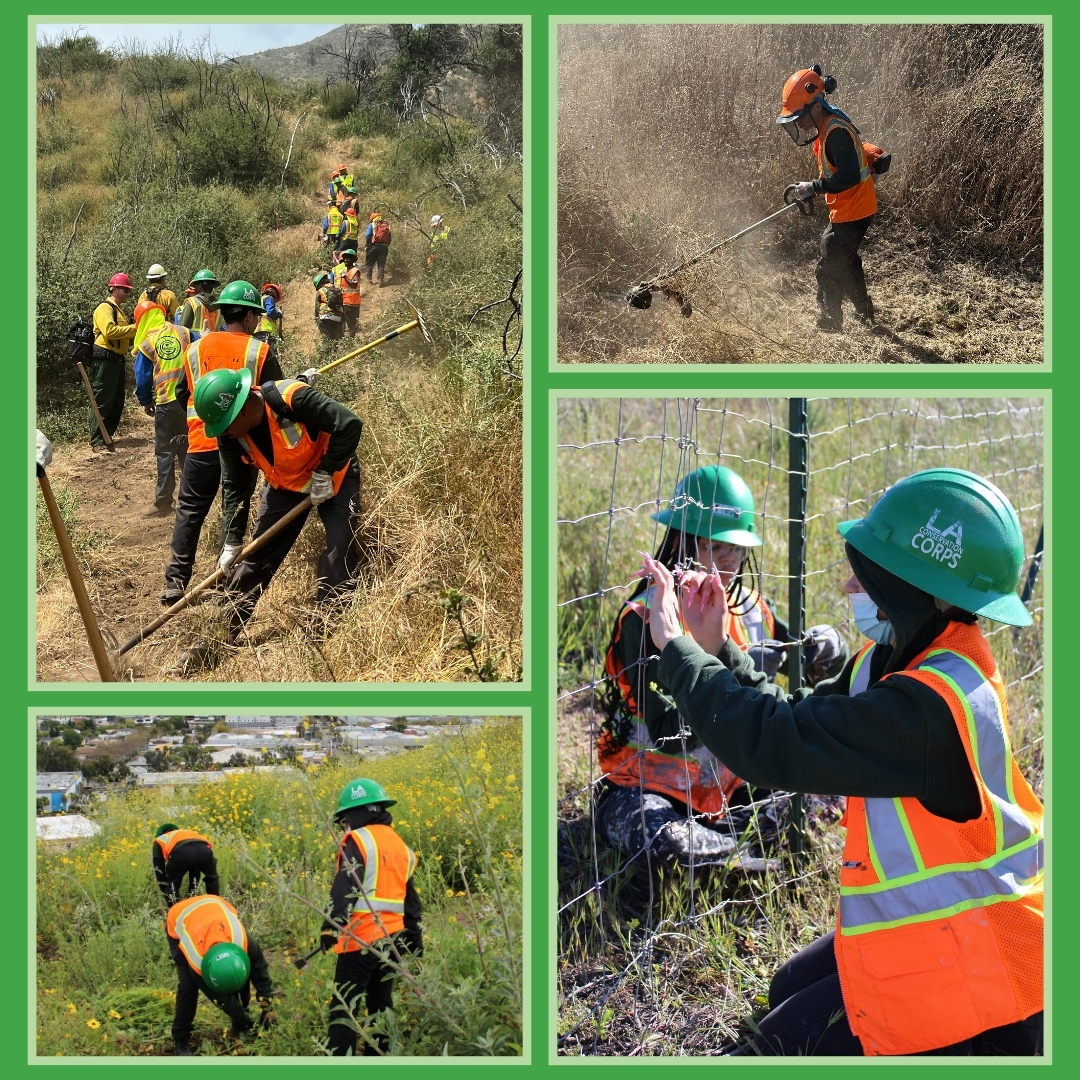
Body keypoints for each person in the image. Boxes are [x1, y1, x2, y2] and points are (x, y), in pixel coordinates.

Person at [638, 467, 1043, 1056]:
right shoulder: (903, 662)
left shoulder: (925, 709)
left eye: (868, 574)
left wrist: (675, 649)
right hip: (953, 928)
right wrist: (717, 648)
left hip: (987, 985)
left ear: (910, 588)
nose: (852, 587)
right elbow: (790, 715)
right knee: (787, 988)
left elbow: (772, 747)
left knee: (774, 1052)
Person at [598, 464, 846, 867]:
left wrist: (828, 648)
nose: (727, 563)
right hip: (648, 789)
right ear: (681, 543)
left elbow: (806, 673)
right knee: (668, 841)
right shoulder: (644, 620)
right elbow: (665, 732)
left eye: (736, 549)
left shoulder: (749, 607)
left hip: (734, 788)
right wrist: (736, 671)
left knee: (835, 786)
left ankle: (732, 852)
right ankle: (737, 855)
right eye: (715, 549)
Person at [193, 365, 362, 634]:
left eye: (225, 426)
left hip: (334, 478)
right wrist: (233, 540)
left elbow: (349, 424)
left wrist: (325, 471)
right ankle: (219, 636)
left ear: (243, 409)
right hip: (285, 485)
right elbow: (235, 485)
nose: (223, 433)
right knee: (256, 558)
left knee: (339, 549)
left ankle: (328, 627)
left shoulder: (293, 398)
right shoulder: (230, 436)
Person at [160, 281, 282, 605]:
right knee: (234, 511)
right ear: (250, 316)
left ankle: (175, 582)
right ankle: (222, 578)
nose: (257, 320)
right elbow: (275, 397)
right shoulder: (259, 351)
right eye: (256, 315)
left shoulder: (196, 349)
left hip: (200, 442)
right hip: (243, 446)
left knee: (190, 510)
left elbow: (183, 393)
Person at [776, 66, 887, 332]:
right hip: (854, 206)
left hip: (854, 209)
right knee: (846, 260)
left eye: (799, 116)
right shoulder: (829, 125)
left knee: (828, 266)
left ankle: (830, 323)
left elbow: (848, 176)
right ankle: (863, 310)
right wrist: (812, 188)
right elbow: (842, 169)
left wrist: (812, 187)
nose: (798, 123)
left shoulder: (835, 133)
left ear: (816, 106)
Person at [319, 778, 422, 1056]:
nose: (344, 827)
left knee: (344, 1008)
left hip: (361, 938)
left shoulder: (359, 840)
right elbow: (411, 899)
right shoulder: (402, 847)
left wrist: (331, 925)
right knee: (381, 1002)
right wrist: (414, 938)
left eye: (344, 820)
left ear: (355, 814)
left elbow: (345, 883)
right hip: (393, 940)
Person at [166, 895, 275, 1056]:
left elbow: (260, 972)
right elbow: (219, 997)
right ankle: (181, 1039)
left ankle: (240, 1025)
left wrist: (268, 1008)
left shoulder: (242, 940)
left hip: (215, 905)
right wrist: (245, 1020)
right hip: (180, 917)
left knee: (235, 976)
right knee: (188, 987)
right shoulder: (197, 961)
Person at [132, 300, 192, 513]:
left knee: (165, 451)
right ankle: (191, 499)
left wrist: (145, 401)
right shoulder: (184, 332)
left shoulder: (148, 343)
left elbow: (142, 377)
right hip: (188, 403)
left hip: (166, 403)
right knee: (188, 449)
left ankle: (163, 502)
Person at [88, 273, 137, 451]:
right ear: (114, 288)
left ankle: (107, 437)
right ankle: (97, 441)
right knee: (102, 400)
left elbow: (124, 336)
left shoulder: (119, 310)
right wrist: (135, 328)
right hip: (105, 360)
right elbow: (109, 331)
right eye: (125, 290)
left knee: (117, 401)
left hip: (117, 360)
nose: (127, 294)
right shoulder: (104, 308)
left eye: (128, 291)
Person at [152, 823, 220, 906]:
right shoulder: (187, 833)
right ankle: (215, 906)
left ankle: (174, 910)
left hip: (182, 853)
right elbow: (195, 866)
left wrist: (165, 891)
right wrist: (192, 893)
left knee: (172, 884)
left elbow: (159, 870)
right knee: (212, 878)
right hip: (205, 850)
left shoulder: (159, 840)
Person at [177, 269, 225, 340]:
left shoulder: (192, 303)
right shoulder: (219, 307)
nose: (194, 289)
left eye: (195, 286)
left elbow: (182, 331)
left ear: (199, 286)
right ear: (212, 288)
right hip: (213, 347)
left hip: (194, 347)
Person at [331, 248, 363, 336]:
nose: (345, 260)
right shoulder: (346, 271)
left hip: (352, 302)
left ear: (352, 260)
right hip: (346, 301)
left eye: (348, 258)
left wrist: (344, 277)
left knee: (352, 325)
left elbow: (354, 284)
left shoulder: (354, 271)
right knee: (349, 323)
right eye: (344, 258)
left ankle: (351, 342)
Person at [314, 271, 345, 342]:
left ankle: (327, 353)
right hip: (338, 317)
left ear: (319, 284)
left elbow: (317, 308)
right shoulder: (337, 289)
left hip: (325, 317)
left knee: (327, 340)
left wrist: (317, 321)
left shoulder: (321, 291)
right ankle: (336, 353)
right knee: (336, 340)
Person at [364, 213, 391, 286]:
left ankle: (369, 280)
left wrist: (367, 244)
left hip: (373, 246)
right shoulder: (386, 225)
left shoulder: (372, 224)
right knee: (381, 264)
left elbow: (367, 235)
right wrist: (385, 245)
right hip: (384, 247)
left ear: (372, 219)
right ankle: (380, 280)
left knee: (369, 263)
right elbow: (389, 238)